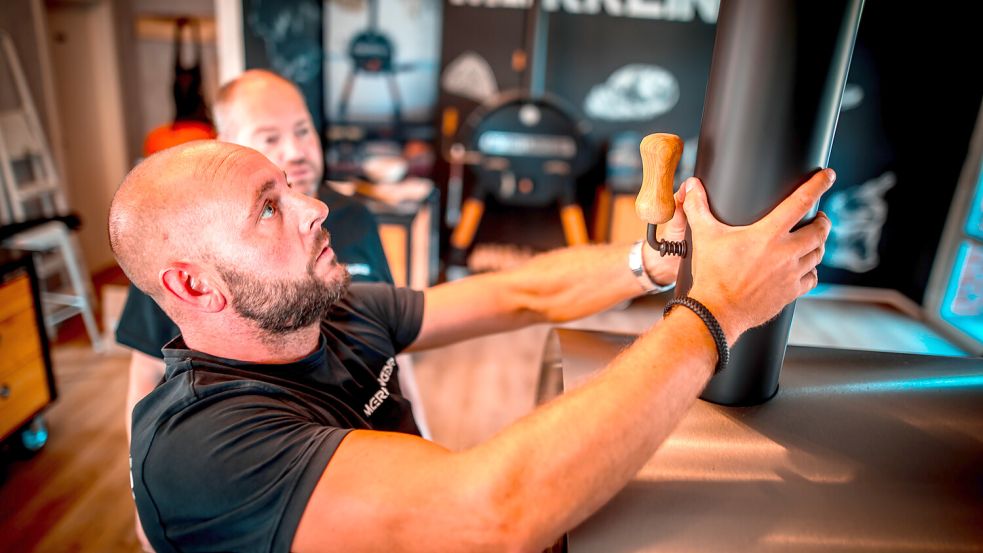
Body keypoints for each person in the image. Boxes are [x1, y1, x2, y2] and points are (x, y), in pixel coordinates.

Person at [110, 140, 832, 553]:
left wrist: (651, 264)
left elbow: (517, 294)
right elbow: (491, 514)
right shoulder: (200, 446)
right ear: (196, 287)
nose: (314, 205)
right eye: (269, 206)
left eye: (290, 187)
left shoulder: (333, 312)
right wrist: (717, 310)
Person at [118, 70, 393, 440]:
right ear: (226, 145)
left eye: (303, 130)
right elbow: (146, 374)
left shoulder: (356, 218)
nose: (296, 151)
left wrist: (420, 427)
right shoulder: (185, 246)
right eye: (270, 137)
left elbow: (392, 345)